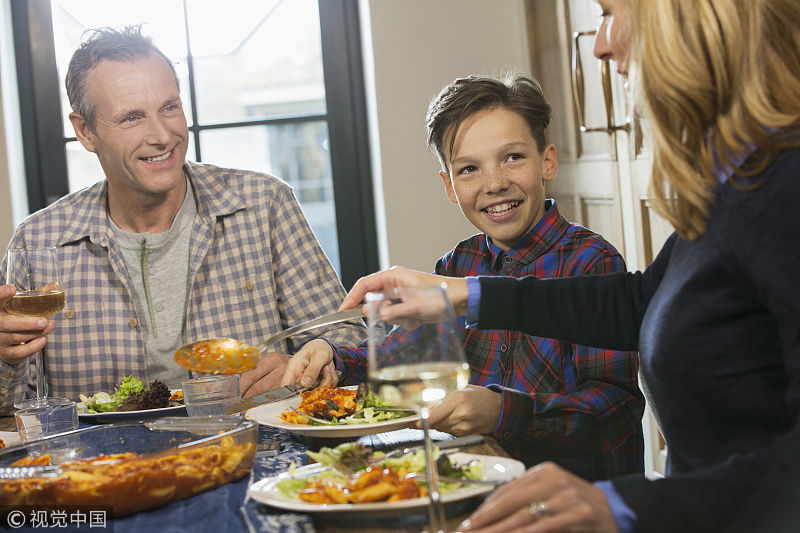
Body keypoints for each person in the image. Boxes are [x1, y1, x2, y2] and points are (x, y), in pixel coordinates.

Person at [339, 0, 800, 531]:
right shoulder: (739, 181)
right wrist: (465, 294)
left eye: (609, 12)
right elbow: (640, 300)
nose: (600, 43)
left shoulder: (783, 191)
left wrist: (626, 505)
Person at [283, 74, 645, 480]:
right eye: (469, 168)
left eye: (513, 157)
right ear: (450, 186)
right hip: (480, 487)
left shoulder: (591, 263)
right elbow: (402, 365)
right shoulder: (457, 265)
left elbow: (616, 413)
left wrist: (504, 412)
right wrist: (333, 357)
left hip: (574, 499)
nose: (495, 183)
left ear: (547, 160)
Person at [0, 25, 363, 413]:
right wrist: (4, 359)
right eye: (132, 118)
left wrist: (315, 362)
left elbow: (348, 339)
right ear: (86, 132)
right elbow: (14, 415)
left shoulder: (264, 204)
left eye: (169, 107)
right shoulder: (36, 244)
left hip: (259, 455)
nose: (162, 135)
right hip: (104, 469)